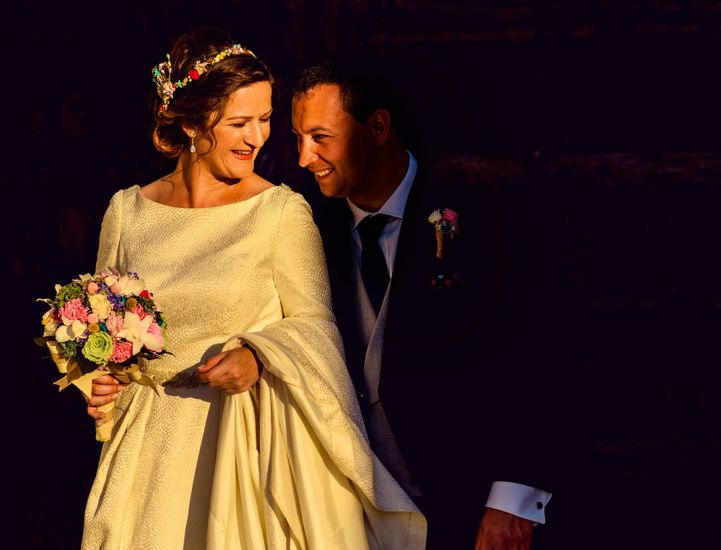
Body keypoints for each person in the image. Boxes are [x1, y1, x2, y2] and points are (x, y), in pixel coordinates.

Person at [82, 28, 424, 549]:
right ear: (194, 122)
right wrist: (99, 379)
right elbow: (102, 329)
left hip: (241, 458)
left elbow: (317, 330)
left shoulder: (281, 212)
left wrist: (260, 356)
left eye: (265, 120)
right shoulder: (127, 212)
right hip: (144, 463)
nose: (258, 138)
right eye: (240, 122)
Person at [289, 59, 555, 548]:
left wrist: (512, 496)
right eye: (298, 138)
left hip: (468, 504)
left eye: (320, 137)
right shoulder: (305, 231)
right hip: (349, 515)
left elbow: (536, 348)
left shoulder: (480, 213)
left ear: (377, 128)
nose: (305, 157)